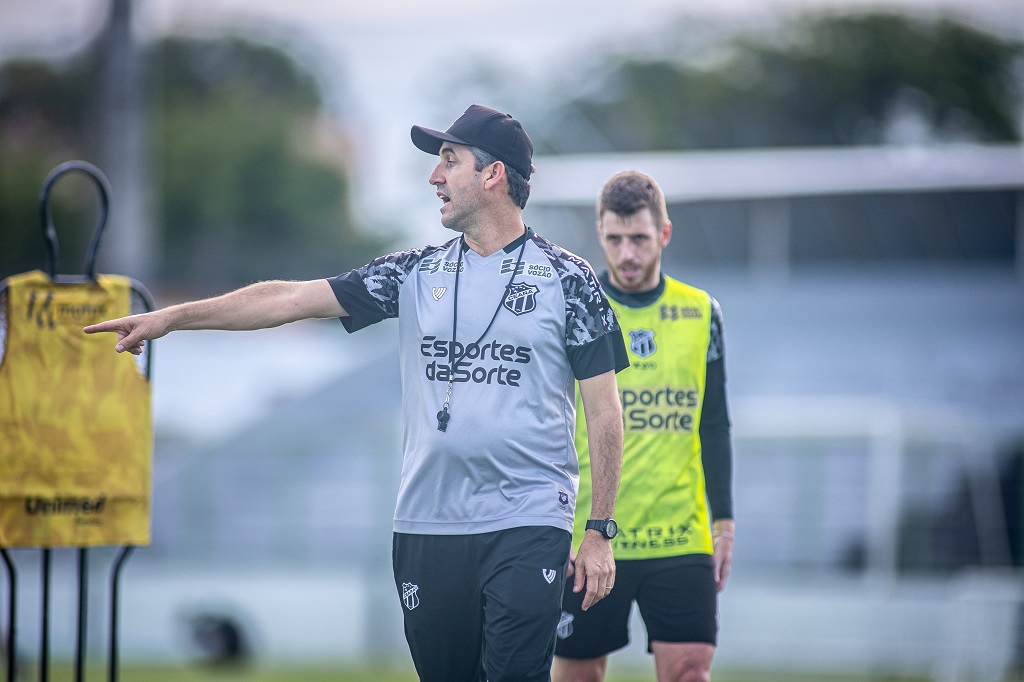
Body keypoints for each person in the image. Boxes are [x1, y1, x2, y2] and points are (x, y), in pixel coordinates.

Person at [84, 104, 629, 682]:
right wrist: (174, 318)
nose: (434, 176)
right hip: (428, 527)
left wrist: (599, 531)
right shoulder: (415, 273)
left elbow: (604, 411)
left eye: (450, 161)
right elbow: (289, 300)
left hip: (528, 522)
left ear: (493, 175)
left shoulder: (569, 280)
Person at [552, 171, 735, 682]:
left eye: (639, 238)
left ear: (664, 234)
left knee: (691, 673)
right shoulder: (578, 310)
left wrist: (724, 522)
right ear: (599, 233)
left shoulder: (702, 313)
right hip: (589, 536)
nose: (627, 254)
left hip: (680, 535)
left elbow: (714, 423)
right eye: (614, 239)